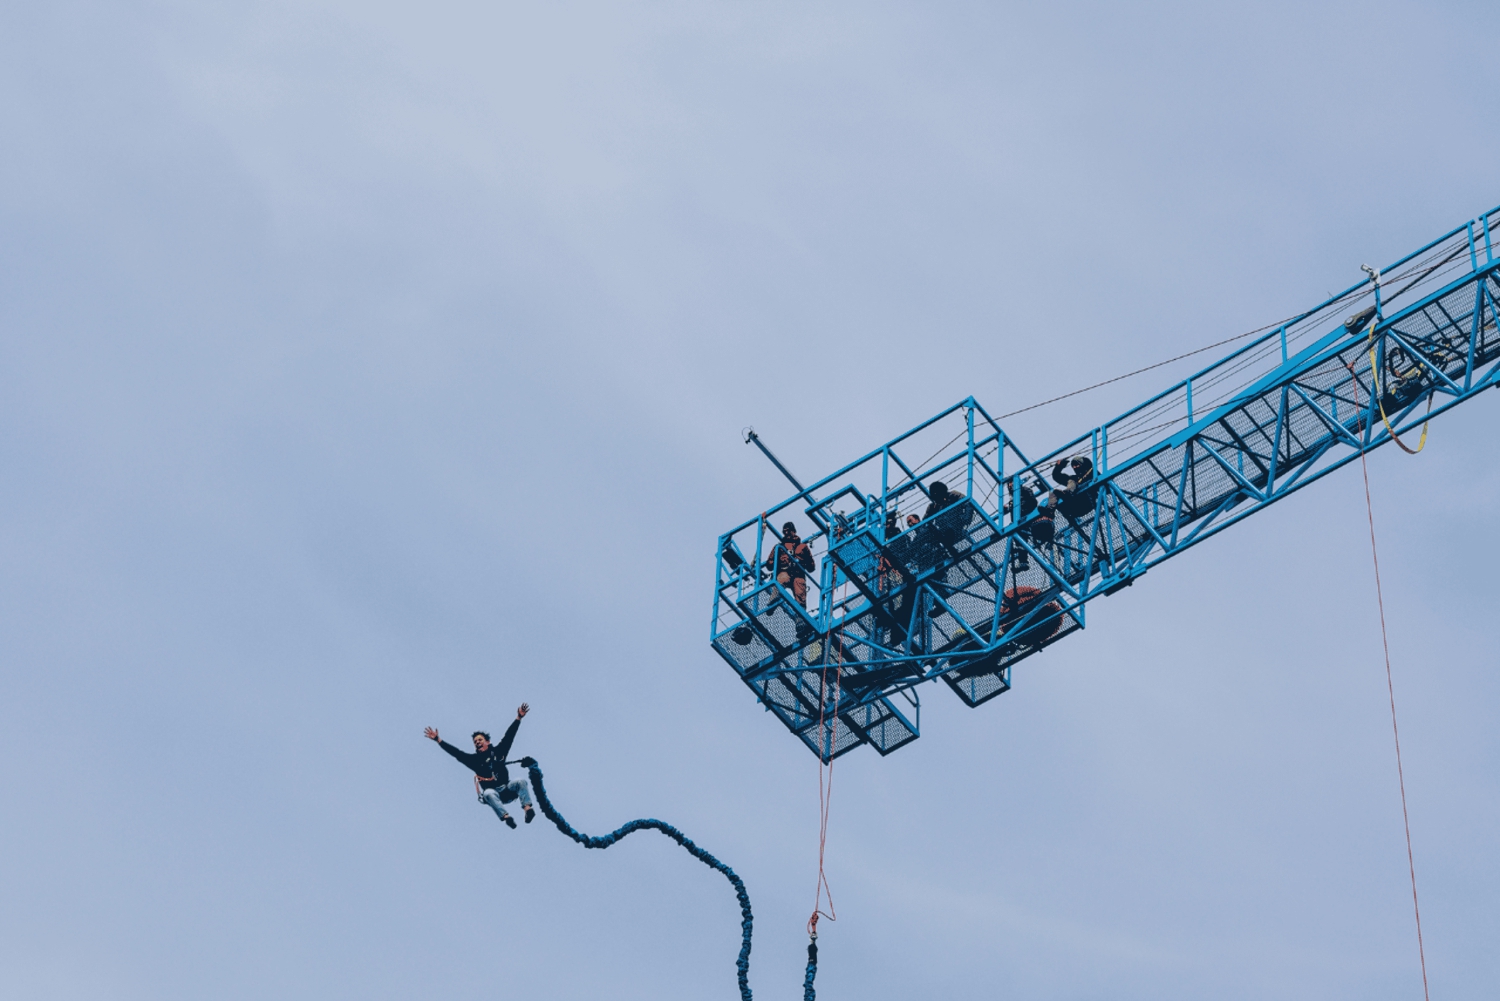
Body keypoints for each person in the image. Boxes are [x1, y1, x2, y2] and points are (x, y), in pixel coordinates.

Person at [425, 703, 535, 829]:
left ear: (487, 742)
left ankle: (528, 809)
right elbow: (457, 754)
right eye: (475, 742)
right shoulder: (474, 761)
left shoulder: (499, 751)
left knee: (520, 781)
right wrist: (438, 740)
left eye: (480, 740)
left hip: (507, 789)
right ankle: (506, 817)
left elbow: (509, 736)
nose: (477, 742)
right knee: (487, 793)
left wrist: (518, 718)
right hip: (495, 795)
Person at [765, 521, 815, 608]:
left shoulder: (802, 547)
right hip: (784, 571)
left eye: (788, 530)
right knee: (781, 581)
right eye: (784, 531)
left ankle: (800, 613)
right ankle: (772, 603)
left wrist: (802, 562)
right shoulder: (779, 547)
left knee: (800, 592)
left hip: (798, 574)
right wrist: (779, 562)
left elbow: (811, 567)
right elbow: (769, 564)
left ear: (794, 531)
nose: (787, 533)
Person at [1050, 456, 1096, 522]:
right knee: (1055, 493)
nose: (1074, 467)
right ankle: (1049, 512)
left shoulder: (1092, 475)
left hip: (1086, 503)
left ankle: (1067, 494)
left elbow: (1103, 483)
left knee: (1072, 482)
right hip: (1073, 508)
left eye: (1076, 465)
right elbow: (1057, 476)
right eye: (1073, 466)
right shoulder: (1074, 478)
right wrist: (1059, 466)